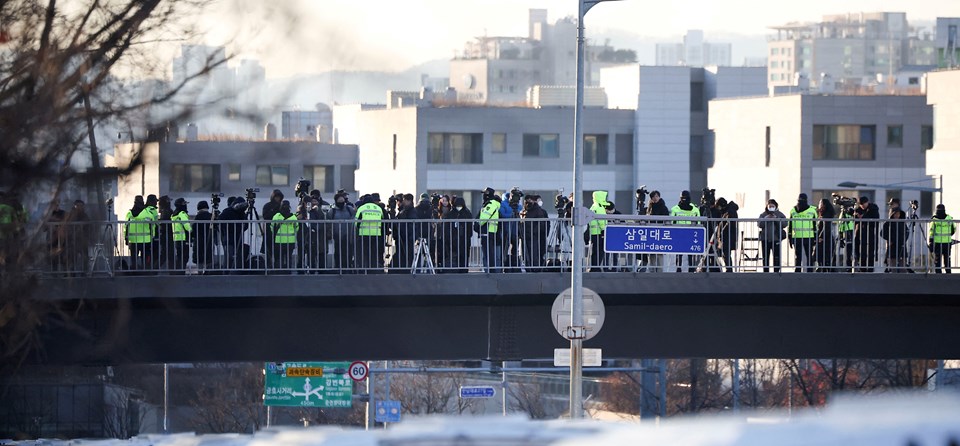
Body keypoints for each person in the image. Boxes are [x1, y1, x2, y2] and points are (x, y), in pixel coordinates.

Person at [670, 190, 700, 272]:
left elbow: (699, 222)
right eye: (682, 198)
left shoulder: (695, 209)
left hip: (691, 233)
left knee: (691, 252)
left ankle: (691, 267)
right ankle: (678, 267)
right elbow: (671, 223)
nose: (684, 200)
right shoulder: (675, 209)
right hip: (679, 233)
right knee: (679, 252)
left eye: (685, 198)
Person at [327, 191, 356, 272]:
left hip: (348, 234)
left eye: (342, 200)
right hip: (337, 235)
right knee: (338, 252)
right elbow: (328, 220)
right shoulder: (332, 211)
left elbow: (354, 216)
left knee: (348, 252)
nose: (341, 202)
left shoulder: (349, 209)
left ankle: (348, 267)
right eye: (339, 200)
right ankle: (338, 267)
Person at [355, 194, 385, 273]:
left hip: (363, 234)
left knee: (364, 253)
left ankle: (363, 271)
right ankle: (373, 270)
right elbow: (382, 221)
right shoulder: (378, 208)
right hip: (376, 234)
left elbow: (356, 222)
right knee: (374, 253)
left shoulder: (362, 208)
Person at [443, 196, 472, 273]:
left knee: (464, 257)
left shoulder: (467, 213)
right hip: (453, 240)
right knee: (455, 257)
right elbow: (447, 227)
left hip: (464, 240)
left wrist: (467, 236)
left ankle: (464, 270)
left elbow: (469, 229)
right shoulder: (451, 214)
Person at [788, 193, 817, 273]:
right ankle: (808, 271)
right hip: (808, 237)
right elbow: (815, 226)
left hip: (799, 237)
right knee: (807, 256)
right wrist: (816, 237)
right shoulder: (812, 210)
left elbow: (790, 226)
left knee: (799, 256)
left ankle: (798, 270)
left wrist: (790, 237)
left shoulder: (793, 210)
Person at [218, 197, 248, 271]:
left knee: (237, 258)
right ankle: (226, 272)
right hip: (229, 239)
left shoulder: (242, 213)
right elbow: (219, 222)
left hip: (238, 239)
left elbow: (246, 225)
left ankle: (236, 272)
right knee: (229, 258)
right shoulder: (227, 211)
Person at [521, 194, 549, 271]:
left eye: (530, 200)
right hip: (524, 236)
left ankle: (535, 270)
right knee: (525, 254)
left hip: (534, 236)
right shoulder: (524, 210)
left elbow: (541, 223)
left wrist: (534, 232)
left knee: (534, 254)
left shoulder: (538, 210)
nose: (528, 202)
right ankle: (527, 268)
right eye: (527, 200)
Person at [477, 187, 502, 273]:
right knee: (490, 254)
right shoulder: (493, 204)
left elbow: (483, 219)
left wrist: (477, 223)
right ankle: (491, 271)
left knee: (489, 254)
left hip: (488, 232)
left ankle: (490, 272)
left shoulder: (490, 204)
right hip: (491, 232)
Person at [881, 198, 909, 273]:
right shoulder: (889, 223)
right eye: (895, 214)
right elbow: (882, 233)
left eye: (898, 214)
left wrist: (903, 240)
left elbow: (907, 232)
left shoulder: (902, 222)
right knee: (893, 267)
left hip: (901, 246)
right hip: (892, 247)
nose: (897, 215)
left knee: (903, 267)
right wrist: (890, 240)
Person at [758, 199, 786, 273]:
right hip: (765, 238)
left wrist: (776, 219)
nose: (771, 207)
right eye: (769, 206)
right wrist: (765, 219)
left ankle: (776, 271)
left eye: (773, 206)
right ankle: (766, 271)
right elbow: (759, 224)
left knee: (777, 256)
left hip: (776, 238)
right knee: (765, 257)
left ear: (776, 206)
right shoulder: (763, 214)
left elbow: (785, 224)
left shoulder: (780, 214)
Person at [853, 196, 880, 273]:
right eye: (861, 204)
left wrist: (863, 217)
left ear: (867, 202)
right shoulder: (858, 209)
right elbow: (855, 220)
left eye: (863, 203)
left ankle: (870, 268)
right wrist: (856, 216)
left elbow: (875, 218)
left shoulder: (873, 208)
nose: (862, 206)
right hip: (860, 232)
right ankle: (862, 267)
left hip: (870, 232)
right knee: (860, 250)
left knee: (870, 250)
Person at [63, 199, 90, 274]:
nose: (79, 207)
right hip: (72, 239)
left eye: (81, 206)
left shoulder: (84, 215)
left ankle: (85, 271)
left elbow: (87, 222)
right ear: (75, 206)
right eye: (78, 206)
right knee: (72, 257)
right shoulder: (71, 215)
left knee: (84, 256)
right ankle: (71, 272)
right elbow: (66, 224)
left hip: (82, 239)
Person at [645, 190, 670, 272]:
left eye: (656, 196)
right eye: (653, 197)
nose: (655, 198)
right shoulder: (649, 207)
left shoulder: (663, 207)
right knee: (651, 255)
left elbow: (666, 220)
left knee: (659, 255)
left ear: (659, 197)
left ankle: (660, 272)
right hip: (650, 233)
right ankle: (651, 272)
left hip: (660, 233)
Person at [585, 190, 610, 272]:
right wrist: (604, 230)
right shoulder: (599, 207)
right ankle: (596, 267)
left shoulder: (593, 206)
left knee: (595, 252)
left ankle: (594, 266)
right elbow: (601, 220)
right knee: (600, 251)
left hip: (593, 233)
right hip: (599, 233)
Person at [271, 200, 298, 272]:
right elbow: (297, 228)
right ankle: (288, 270)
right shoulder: (293, 217)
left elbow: (272, 227)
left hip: (279, 240)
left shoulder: (277, 216)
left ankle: (279, 270)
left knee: (279, 257)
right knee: (289, 257)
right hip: (290, 240)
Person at [715, 198, 739, 273]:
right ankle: (728, 268)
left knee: (726, 253)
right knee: (724, 253)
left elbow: (728, 223)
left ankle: (729, 268)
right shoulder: (727, 211)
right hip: (726, 235)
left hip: (728, 235)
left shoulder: (730, 211)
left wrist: (721, 231)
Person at [930, 204, 955, 274]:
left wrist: (930, 242)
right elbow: (954, 229)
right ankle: (948, 274)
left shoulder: (934, 219)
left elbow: (931, 231)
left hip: (937, 242)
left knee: (938, 260)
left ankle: (938, 274)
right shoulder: (949, 218)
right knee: (947, 259)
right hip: (947, 242)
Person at [263, 189, 284, 268]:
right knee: (269, 250)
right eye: (276, 197)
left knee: (278, 251)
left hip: (280, 231)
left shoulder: (282, 206)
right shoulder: (267, 206)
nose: (277, 199)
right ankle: (268, 266)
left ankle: (278, 266)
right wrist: (274, 211)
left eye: (279, 197)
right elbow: (266, 216)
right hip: (269, 230)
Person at [171, 198, 192, 272]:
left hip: (177, 238)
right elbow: (186, 225)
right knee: (184, 257)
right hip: (183, 239)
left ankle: (178, 272)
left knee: (179, 257)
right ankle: (181, 272)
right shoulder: (182, 213)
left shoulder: (174, 214)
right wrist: (191, 231)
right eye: (184, 204)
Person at [814, 198, 836, 272]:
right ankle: (821, 268)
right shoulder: (822, 214)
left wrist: (821, 237)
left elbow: (826, 227)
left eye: (820, 203)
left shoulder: (826, 215)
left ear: (824, 205)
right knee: (820, 256)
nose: (819, 205)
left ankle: (824, 269)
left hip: (826, 240)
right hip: (824, 239)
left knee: (824, 256)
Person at [193, 200, 213, 270]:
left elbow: (194, 228)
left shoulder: (198, 216)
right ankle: (208, 271)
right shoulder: (211, 216)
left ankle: (200, 271)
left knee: (199, 257)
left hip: (199, 239)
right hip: (209, 238)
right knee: (208, 256)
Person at [157, 195, 174, 270]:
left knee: (168, 255)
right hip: (167, 236)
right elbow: (165, 223)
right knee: (166, 255)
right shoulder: (167, 211)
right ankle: (155, 268)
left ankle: (172, 271)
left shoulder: (165, 211)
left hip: (167, 236)